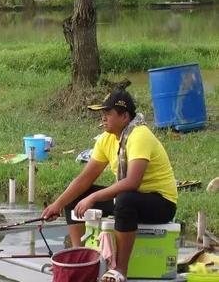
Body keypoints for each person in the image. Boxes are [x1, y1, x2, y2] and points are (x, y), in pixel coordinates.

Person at [41, 90, 177, 282]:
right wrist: (58, 204)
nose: (103, 118)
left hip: (161, 203)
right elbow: (84, 179)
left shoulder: (140, 135)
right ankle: (80, 258)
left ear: (124, 116)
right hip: (131, 198)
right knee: (76, 198)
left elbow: (132, 182)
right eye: (102, 114)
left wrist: (94, 197)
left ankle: (120, 270)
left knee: (125, 199)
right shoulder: (106, 139)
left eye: (108, 114)